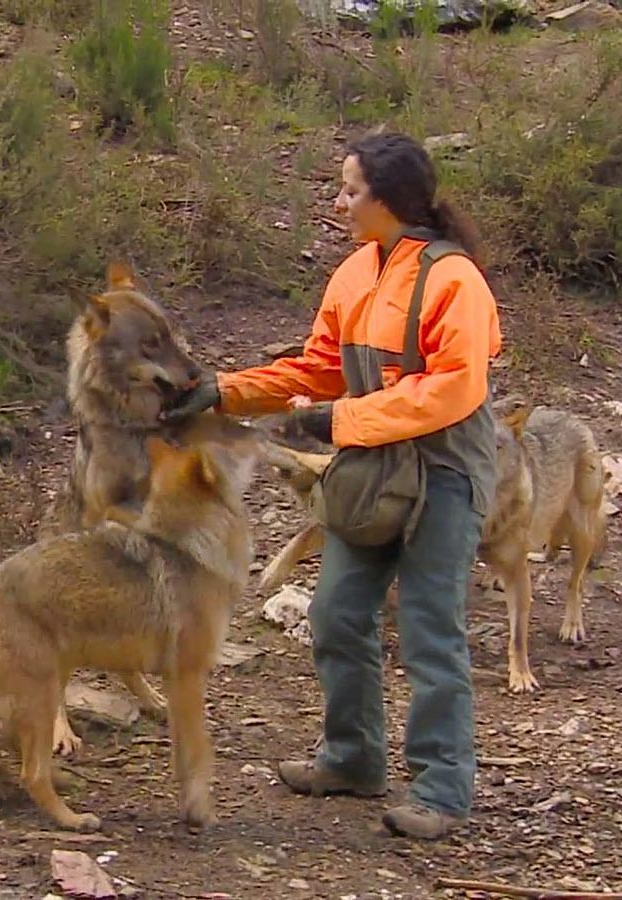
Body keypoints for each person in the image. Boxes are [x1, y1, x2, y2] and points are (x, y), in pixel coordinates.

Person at [162, 130, 502, 840]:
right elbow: (314, 369)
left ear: (390, 199)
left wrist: (338, 420)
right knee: (338, 615)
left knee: (429, 629)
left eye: (350, 190)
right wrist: (224, 392)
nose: (339, 202)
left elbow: (451, 391)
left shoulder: (454, 281)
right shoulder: (354, 273)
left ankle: (441, 789)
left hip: (442, 471)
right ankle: (353, 759)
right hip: (372, 468)